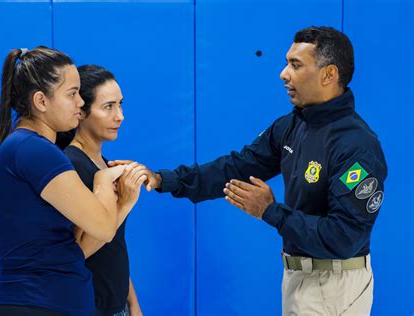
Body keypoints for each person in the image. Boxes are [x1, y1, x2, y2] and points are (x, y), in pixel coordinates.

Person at [110, 26, 388, 315]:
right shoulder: (292, 126)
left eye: (296, 65)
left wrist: (270, 210)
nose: (284, 74)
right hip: (298, 277)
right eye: (287, 63)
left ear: (329, 74)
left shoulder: (357, 145)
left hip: (335, 285)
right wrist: (162, 179)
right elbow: (235, 168)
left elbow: (343, 238)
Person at [0, 47, 144, 316]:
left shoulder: (28, 148)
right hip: (38, 304)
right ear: (41, 101)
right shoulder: (35, 150)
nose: (80, 103)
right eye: (72, 94)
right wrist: (104, 181)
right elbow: (103, 228)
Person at [58, 65, 144, 316]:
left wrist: (133, 303)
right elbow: (80, 249)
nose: (120, 116)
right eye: (108, 107)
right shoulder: (72, 165)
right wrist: (124, 203)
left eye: (121, 104)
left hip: (118, 307)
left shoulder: (104, 165)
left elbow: (114, 244)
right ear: (81, 112)